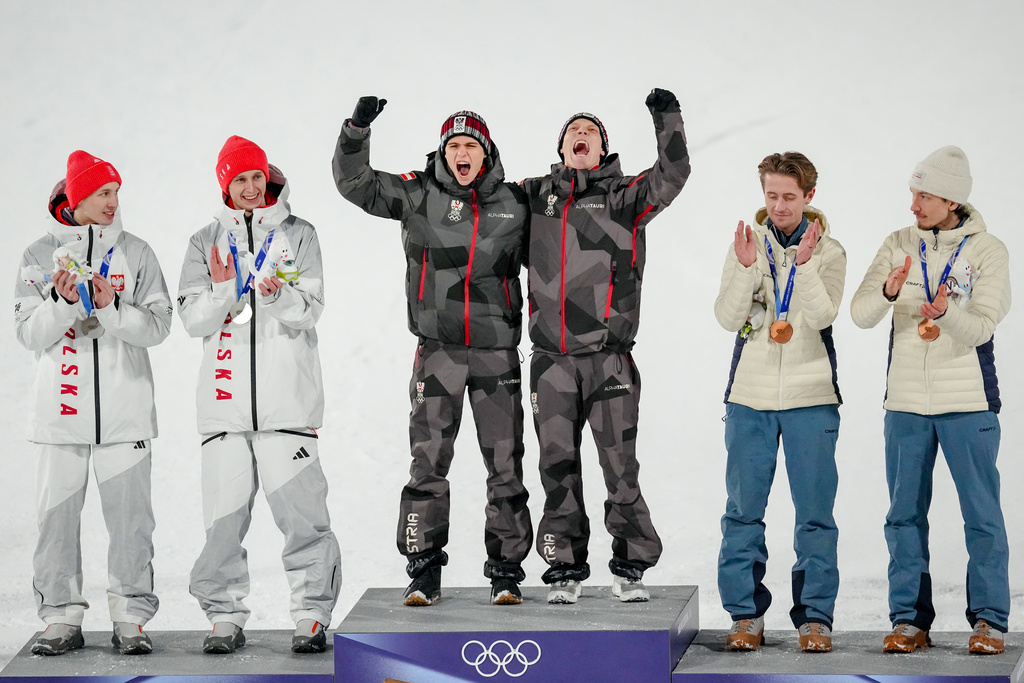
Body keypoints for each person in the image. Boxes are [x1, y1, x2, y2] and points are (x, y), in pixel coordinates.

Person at [332, 98, 532, 607]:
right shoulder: (417, 194)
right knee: (429, 462)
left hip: (496, 354)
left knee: (505, 462)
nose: (462, 153)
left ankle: (506, 570)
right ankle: (423, 569)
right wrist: (356, 131)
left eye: (471, 146)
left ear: (486, 155)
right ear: (442, 152)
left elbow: (563, 244)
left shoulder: (515, 203)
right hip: (439, 351)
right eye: (454, 145)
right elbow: (355, 184)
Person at [520, 88, 690, 604]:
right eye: (573, 131)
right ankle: (564, 570)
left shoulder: (625, 197)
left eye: (590, 131)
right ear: (562, 147)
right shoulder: (534, 196)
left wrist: (667, 118)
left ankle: (631, 565)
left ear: (602, 148)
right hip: (551, 362)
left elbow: (673, 174)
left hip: (609, 358)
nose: (581, 136)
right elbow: (482, 202)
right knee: (557, 466)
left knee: (620, 468)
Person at [179, 136, 341, 654]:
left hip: (287, 406)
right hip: (225, 411)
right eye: (239, 180)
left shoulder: (300, 234)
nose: (250, 189)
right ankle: (224, 618)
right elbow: (191, 318)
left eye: (256, 177)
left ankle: (311, 615)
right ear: (225, 185)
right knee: (223, 526)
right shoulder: (205, 241)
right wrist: (229, 289)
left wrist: (274, 292)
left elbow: (311, 309)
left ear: (267, 178)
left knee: (304, 520)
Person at [850, 146, 1010, 655]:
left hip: (968, 404)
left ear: (952, 199)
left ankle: (988, 622)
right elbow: (860, 313)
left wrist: (943, 314)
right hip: (906, 405)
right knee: (903, 516)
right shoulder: (898, 243)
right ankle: (909, 621)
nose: (913, 204)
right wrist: (891, 294)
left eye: (924, 195)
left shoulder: (988, 250)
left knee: (981, 515)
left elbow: (982, 325)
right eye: (912, 193)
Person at [15, 151, 171, 656]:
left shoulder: (137, 253)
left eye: (116, 193)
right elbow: (26, 333)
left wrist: (112, 307)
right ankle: (60, 619)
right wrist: (61, 304)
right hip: (60, 419)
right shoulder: (39, 256)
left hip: (125, 418)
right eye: (103, 193)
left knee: (132, 525)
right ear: (77, 197)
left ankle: (130, 619)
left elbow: (158, 327)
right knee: (55, 523)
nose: (113, 202)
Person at [713, 152, 844, 652]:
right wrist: (747, 270)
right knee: (743, 511)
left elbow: (824, 314)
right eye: (772, 195)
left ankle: (815, 618)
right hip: (750, 398)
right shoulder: (747, 247)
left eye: (790, 197)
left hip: (812, 397)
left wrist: (806, 267)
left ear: (809, 197)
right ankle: (746, 616)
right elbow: (728, 318)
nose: (780, 205)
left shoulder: (830, 251)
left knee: (814, 514)